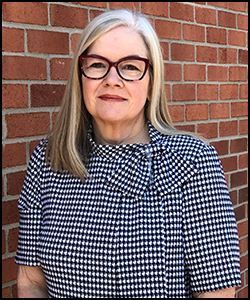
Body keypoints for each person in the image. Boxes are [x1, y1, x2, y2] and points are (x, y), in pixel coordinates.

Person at [15, 9, 241, 298]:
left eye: (131, 67)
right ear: (80, 76)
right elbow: (31, 280)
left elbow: (217, 292)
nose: (112, 79)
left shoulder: (193, 161)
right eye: (97, 64)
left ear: (151, 83)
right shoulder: (48, 160)